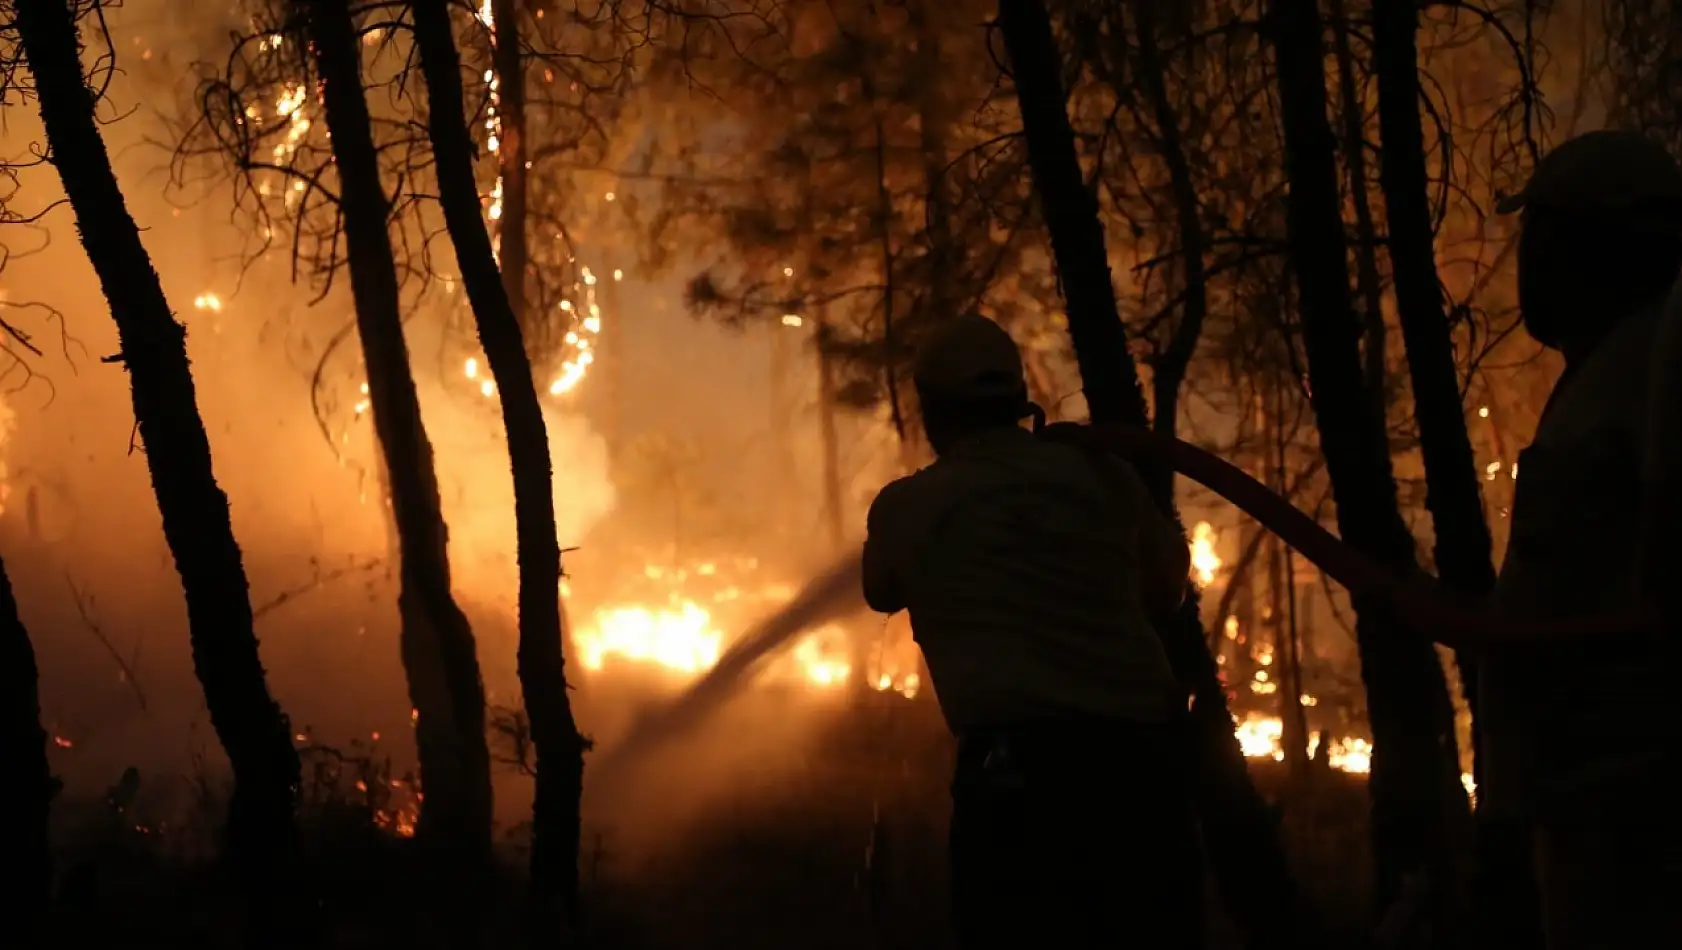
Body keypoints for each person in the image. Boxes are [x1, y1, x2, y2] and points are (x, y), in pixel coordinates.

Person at [860, 313, 1203, 949]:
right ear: (1020, 401)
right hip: (1140, 779)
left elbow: (879, 588)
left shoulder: (908, 507)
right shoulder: (1104, 477)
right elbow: (1167, 590)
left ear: (931, 411)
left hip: (1016, 789)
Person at [1484, 129, 1682, 949]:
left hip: (1626, 806)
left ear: (1602, 250)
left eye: (1543, 234)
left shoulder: (1639, 384)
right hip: (1596, 795)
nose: (1526, 260)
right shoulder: (1619, 372)